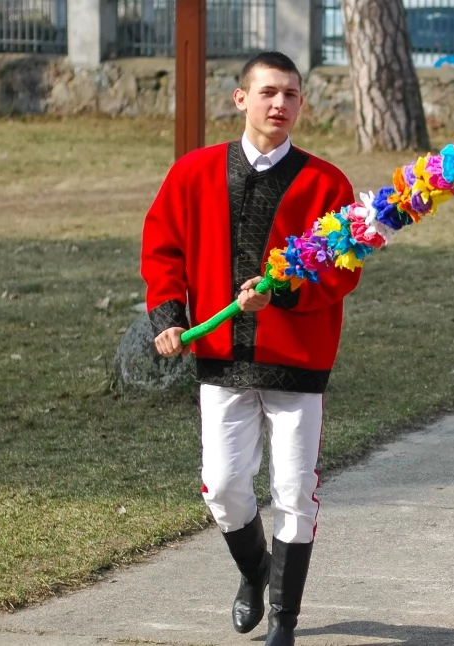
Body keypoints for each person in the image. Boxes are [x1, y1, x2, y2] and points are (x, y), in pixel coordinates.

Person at [141, 51, 358, 646]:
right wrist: (168, 314)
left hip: (298, 361)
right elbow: (163, 248)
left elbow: (343, 269)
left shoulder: (326, 183)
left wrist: (282, 295)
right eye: (267, 92)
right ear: (241, 99)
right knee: (223, 486)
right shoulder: (194, 172)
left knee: (294, 492)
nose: (279, 104)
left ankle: (284, 621)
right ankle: (255, 572)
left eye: (291, 94)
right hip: (221, 361)